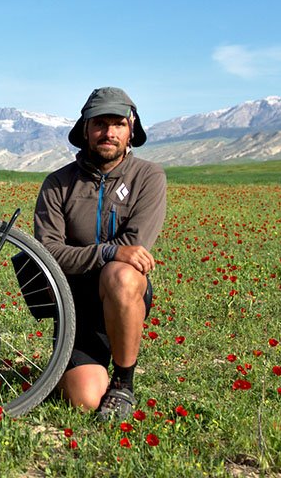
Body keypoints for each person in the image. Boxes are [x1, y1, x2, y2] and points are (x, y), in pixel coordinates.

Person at [34, 87, 167, 420]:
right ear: (85, 130)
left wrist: (111, 256)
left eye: (118, 124)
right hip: (74, 305)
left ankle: (123, 383)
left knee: (122, 273)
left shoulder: (148, 177)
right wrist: (109, 250)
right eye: (100, 124)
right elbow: (48, 252)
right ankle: (86, 368)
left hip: (120, 294)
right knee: (87, 399)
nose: (109, 133)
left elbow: (135, 252)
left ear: (131, 129)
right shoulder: (57, 183)